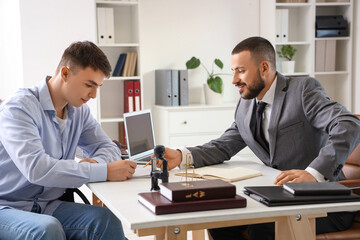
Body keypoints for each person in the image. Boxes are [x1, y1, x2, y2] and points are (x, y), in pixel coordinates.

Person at [157, 37, 360, 240]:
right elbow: (223, 146)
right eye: (233, 71)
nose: (234, 80)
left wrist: (314, 174)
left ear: (264, 68)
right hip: (276, 197)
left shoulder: (302, 91)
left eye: (241, 71)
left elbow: (349, 124)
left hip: (324, 203)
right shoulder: (246, 104)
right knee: (219, 221)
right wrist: (181, 156)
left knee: (262, 228)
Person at [0, 41, 137, 240]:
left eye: (97, 87)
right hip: (7, 207)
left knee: (106, 220)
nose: (93, 95)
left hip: (48, 206)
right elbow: (37, 169)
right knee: (47, 229)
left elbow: (105, 146)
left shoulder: (79, 112)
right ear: (65, 73)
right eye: (89, 85)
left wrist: (97, 163)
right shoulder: (19, 108)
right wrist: (103, 171)